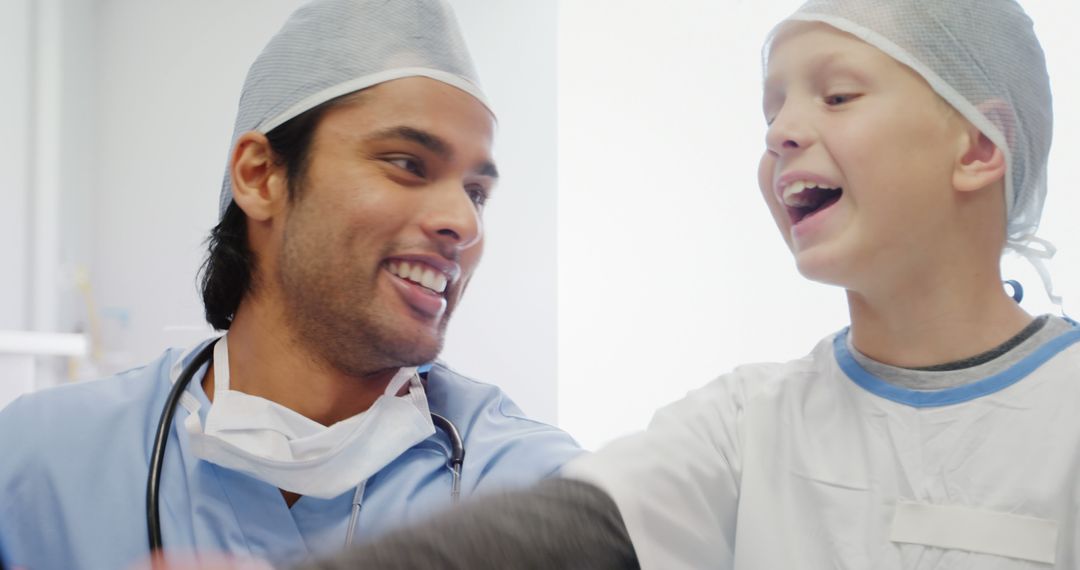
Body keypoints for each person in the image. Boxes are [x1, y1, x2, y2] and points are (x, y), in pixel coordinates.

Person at [289, 0, 1080, 568]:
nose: (780, 132)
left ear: (978, 148)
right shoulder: (747, 424)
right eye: (772, 109)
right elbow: (569, 531)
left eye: (837, 94)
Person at [0, 1, 581, 568]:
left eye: (477, 192)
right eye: (407, 163)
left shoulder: (536, 490)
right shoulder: (36, 463)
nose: (465, 222)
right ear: (261, 176)